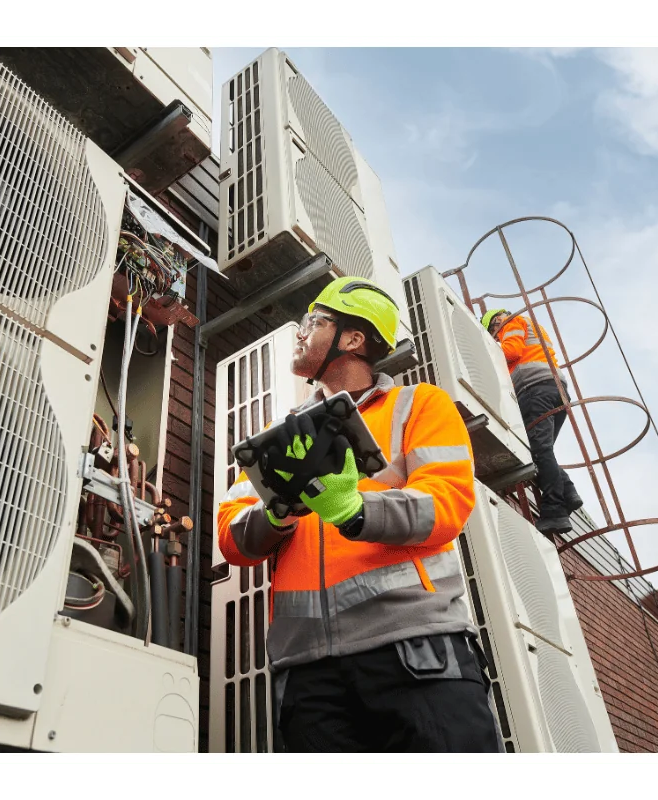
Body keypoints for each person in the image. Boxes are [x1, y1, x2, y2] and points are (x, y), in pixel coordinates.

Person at [217, 276, 502, 753]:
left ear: (352, 339)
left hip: (414, 648)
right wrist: (279, 513)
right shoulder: (278, 436)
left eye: (315, 321)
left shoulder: (419, 405)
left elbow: (447, 503)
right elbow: (232, 537)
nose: (301, 332)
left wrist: (355, 510)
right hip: (308, 672)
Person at [481, 308, 583, 535]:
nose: (496, 338)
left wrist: (484, 352)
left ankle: (555, 511)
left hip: (535, 388)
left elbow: (511, 351)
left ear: (496, 321)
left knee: (538, 449)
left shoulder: (511, 321)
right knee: (541, 448)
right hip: (554, 388)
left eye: (493, 334)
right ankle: (567, 490)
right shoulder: (530, 326)